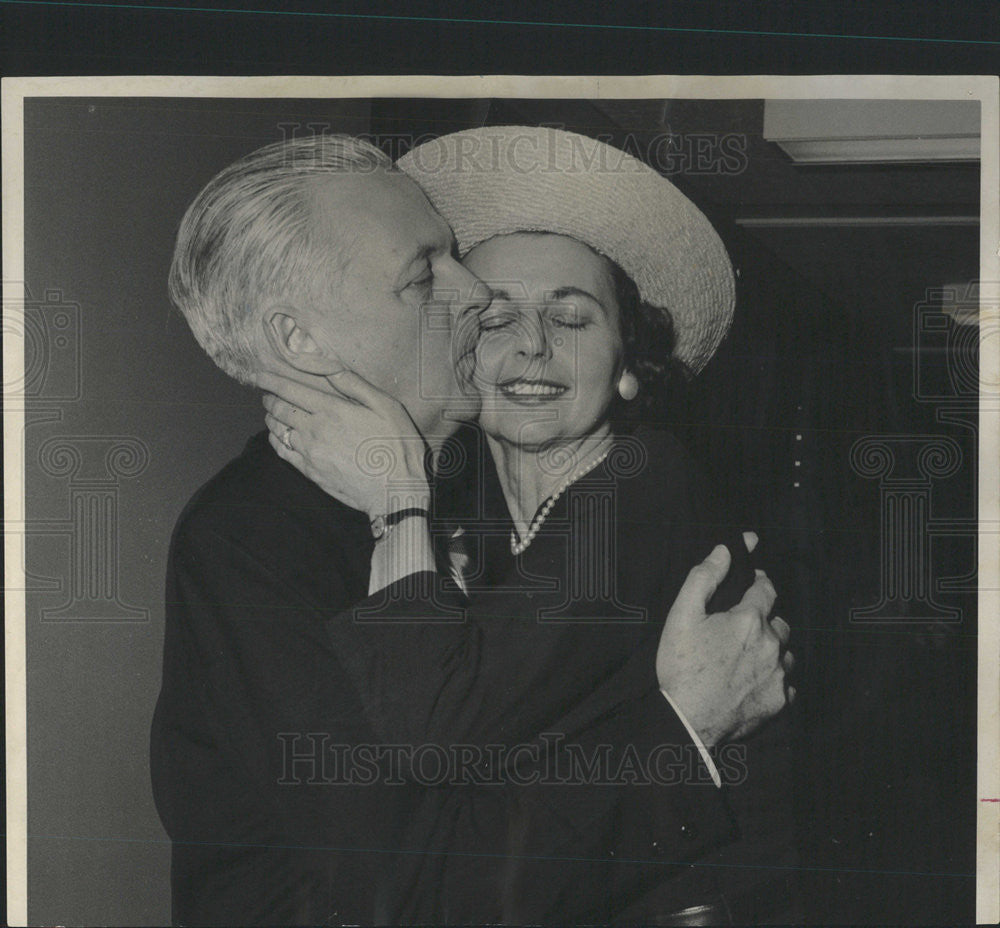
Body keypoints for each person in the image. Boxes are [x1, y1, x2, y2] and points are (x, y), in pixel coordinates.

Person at [152, 132, 790, 926]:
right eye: (426, 275)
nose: (475, 295)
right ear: (299, 340)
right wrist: (689, 725)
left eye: (456, 258)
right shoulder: (254, 540)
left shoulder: (499, 476)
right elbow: (423, 891)